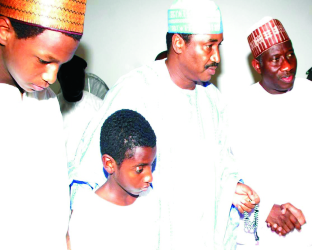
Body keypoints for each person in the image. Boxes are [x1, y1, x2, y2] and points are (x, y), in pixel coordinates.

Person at [71, 0, 259, 249]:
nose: (216, 57)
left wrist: (232, 189)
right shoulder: (135, 92)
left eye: (219, 46)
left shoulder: (213, 101)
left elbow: (222, 168)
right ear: (179, 43)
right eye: (209, 46)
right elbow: (89, 178)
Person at [227, 16, 312, 249]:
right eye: (276, 59)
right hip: (258, 235)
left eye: (290, 55)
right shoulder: (239, 108)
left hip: (309, 231)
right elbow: (227, 174)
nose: (287, 65)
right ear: (258, 66)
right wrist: (266, 208)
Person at [0, 1, 86, 249]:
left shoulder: (45, 99)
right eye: (43, 60)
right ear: (4, 30)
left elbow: (55, 188)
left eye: (61, 64)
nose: (52, 77)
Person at [68, 109, 159, 250]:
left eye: (151, 165)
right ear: (110, 164)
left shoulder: (149, 198)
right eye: (139, 169)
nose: (149, 177)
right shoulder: (88, 214)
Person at [57, 55, 105, 209]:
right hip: (59, 181)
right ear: (59, 78)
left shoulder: (99, 107)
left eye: (79, 78)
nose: (74, 83)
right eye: (69, 77)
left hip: (90, 182)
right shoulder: (51, 106)